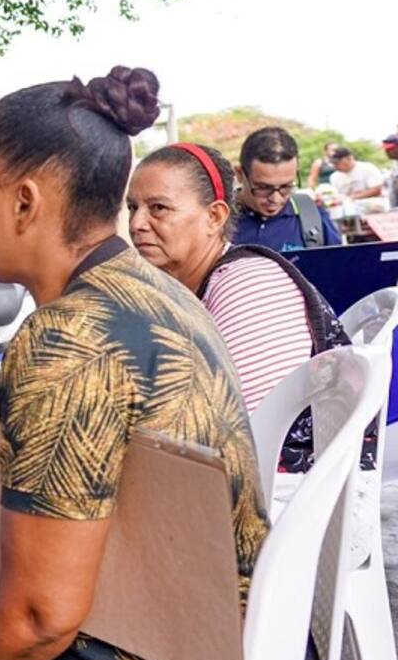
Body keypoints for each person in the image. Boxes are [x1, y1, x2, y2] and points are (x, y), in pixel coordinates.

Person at [0, 67, 322, 660]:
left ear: (26, 203)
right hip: (214, 624)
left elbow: (39, 620)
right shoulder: (147, 287)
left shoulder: (69, 336)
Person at [128, 144, 351, 475]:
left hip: (283, 499)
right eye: (132, 207)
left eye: (158, 208)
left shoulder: (248, 284)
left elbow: (226, 431)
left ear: (214, 217)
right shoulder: (185, 288)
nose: (136, 224)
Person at [232, 126, 341, 250]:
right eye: (263, 188)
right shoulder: (215, 221)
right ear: (240, 174)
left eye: (286, 186)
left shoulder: (313, 217)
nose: (275, 199)